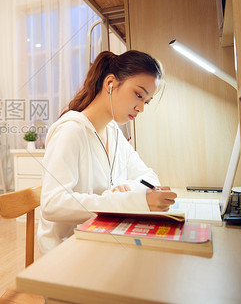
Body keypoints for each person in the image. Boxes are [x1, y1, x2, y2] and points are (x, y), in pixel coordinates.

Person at [38, 50, 177, 254]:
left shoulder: (113, 133)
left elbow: (149, 177)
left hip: (99, 241)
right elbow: (52, 204)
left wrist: (126, 186)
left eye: (146, 101)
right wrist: (128, 200)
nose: (141, 108)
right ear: (110, 83)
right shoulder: (70, 131)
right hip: (66, 250)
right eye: (138, 95)